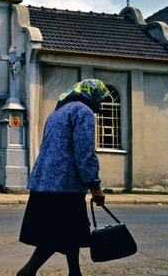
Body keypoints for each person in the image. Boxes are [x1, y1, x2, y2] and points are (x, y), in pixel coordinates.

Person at [17, 79, 110, 276]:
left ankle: (74, 272)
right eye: (99, 100)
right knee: (59, 234)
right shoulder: (83, 112)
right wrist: (95, 187)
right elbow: (85, 152)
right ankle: (28, 271)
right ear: (91, 96)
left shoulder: (57, 113)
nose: (98, 106)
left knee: (70, 232)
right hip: (64, 186)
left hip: (44, 183)